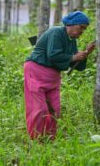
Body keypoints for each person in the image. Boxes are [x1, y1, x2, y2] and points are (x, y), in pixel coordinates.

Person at [24, 11, 95, 140]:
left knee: (54, 109)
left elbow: (78, 66)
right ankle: (36, 140)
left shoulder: (72, 41)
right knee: (38, 109)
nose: (82, 31)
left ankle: (50, 139)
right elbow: (53, 55)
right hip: (36, 71)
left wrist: (85, 54)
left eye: (84, 29)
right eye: (81, 28)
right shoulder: (56, 32)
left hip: (53, 77)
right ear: (71, 24)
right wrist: (74, 56)